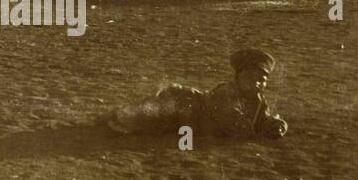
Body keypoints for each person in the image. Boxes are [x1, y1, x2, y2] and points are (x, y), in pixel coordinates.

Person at [104, 48, 287, 139]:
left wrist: (276, 124)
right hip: (184, 110)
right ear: (239, 76)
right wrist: (262, 128)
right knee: (137, 120)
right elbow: (237, 129)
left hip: (190, 113)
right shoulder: (227, 94)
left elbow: (264, 117)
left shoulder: (255, 98)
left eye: (262, 79)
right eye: (250, 76)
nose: (257, 82)